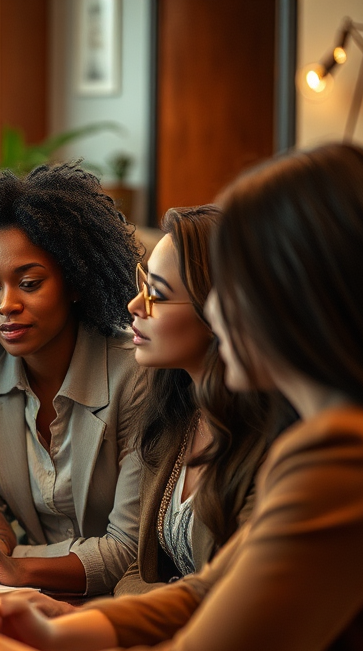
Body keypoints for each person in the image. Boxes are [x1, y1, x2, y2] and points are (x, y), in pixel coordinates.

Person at [0, 143, 363, 651]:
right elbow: (211, 591)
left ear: (298, 299)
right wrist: (64, 631)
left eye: (234, 287)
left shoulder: (348, 455)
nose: (220, 313)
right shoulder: (327, 440)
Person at [0, 163, 143, 595]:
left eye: (29, 282)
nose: (6, 304)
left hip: (116, 606)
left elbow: (130, 549)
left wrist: (15, 560)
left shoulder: (135, 372)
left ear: (75, 282)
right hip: (15, 601)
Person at [116, 205, 284, 594]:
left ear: (220, 310)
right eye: (142, 286)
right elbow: (137, 574)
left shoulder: (270, 442)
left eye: (156, 293)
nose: (135, 306)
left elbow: (234, 598)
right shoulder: (175, 416)